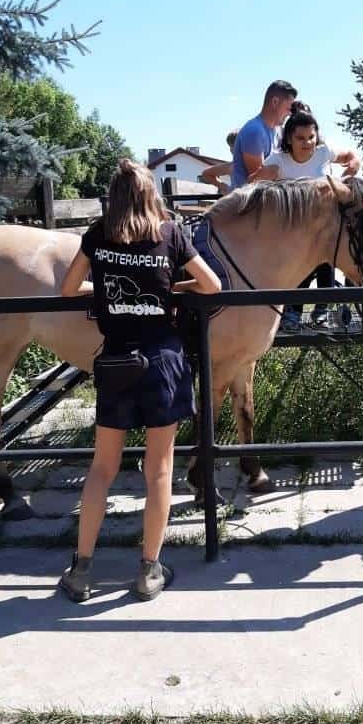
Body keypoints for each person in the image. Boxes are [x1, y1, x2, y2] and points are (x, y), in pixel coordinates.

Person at [58, 159, 221, 602]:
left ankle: (81, 571)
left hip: (116, 362)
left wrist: (105, 294)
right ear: (152, 195)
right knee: (159, 469)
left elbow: (68, 290)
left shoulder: (98, 235)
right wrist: (170, 291)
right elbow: (211, 286)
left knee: (102, 468)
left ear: (114, 197)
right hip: (162, 361)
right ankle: (148, 572)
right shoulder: (170, 234)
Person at [250, 108, 361, 331]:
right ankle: (292, 311)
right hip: (293, 229)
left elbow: (351, 156)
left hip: (324, 225)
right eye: (300, 138)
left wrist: (352, 168)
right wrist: (264, 181)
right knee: (297, 268)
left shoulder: (323, 152)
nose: (307, 142)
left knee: (327, 263)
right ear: (289, 138)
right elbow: (252, 183)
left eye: (311, 137)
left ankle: (323, 309)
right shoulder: (278, 161)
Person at [230, 80, 297, 189]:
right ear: (275, 102)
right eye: (288, 109)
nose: (290, 114)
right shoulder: (254, 131)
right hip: (245, 203)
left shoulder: (278, 131)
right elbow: (259, 182)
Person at [199, 130, 237, 196]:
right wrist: (223, 186)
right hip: (238, 202)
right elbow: (206, 174)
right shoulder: (231, 166)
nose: (231, 149)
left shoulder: (257, 163)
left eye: (234, 145)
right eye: (231, 146)